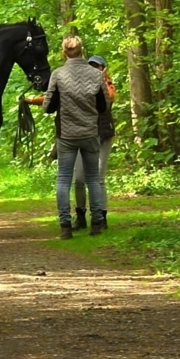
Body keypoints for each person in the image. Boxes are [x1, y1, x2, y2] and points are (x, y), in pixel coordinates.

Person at [37, 35, 108, 239]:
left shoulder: (58, 75)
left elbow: (48, 106)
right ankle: (96, 223)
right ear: (81, 50)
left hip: (67, 135)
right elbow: (104, 105)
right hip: (90, 133)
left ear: (64, 53)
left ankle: (65, 227)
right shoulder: (96, 75)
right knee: (93, 178)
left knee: (63, 180)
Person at [72, 55, 115, 230]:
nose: (93, 69)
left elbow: (109, 97)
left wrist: (101, 80)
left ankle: (101, 217)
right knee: (78, 179)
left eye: (97, 66)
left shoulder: (108, 85)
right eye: (90, 66)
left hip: (103, 135)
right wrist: (32, 100)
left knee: (98, 177)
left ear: (103, 68)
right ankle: (80, 216)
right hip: (82, 135)